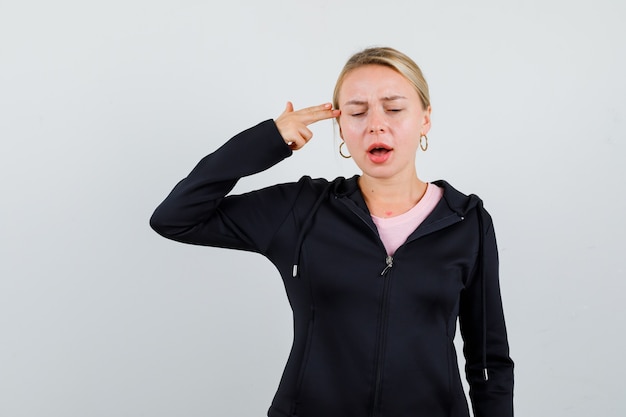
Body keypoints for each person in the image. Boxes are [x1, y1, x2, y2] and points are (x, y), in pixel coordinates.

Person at [150, 46, 514, 417]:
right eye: (357, 112)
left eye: (394, 108)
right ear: (341, 128)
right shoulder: (301, 209)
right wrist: (269, 139)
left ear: (425, 119)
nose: (375, 123)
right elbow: (176, 217)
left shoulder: (466, 220)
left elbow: (489, 361)